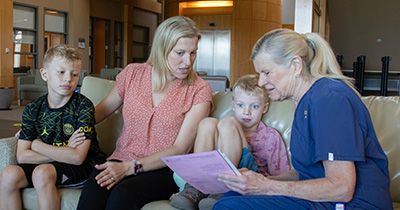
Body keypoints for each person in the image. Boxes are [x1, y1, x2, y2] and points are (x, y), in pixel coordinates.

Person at [213, 28, 393, 210]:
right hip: (327, 201)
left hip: (354, 205)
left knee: (228, 207)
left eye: (267, 72)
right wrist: (258, 181)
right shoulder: (305, 102)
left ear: (296, 66)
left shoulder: (329, 99)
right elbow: (307, 173)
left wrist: (267, 187)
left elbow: (342, 188)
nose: (260, 82)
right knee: (233, 195)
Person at [76, 16, 213, 210]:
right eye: (180, 53)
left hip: (165, 169)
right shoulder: (133, 74)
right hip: (122, 157)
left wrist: (130, 168)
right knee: (93, 189)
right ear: (162, 49)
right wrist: (45, 129)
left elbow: (180, 148)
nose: (187, 61)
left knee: (122, 195)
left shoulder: (199, 89)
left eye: (193, 53)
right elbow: (101, 111)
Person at [0, 44, 106, 210]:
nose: (68, 79)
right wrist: (65, 150)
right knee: (8, 175)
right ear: (44, 74)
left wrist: (36, 145)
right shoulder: (33, 108)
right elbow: (22, 156)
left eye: (74, 74)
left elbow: (77, 157)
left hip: (86, 166)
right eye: (61, 72)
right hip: (53, 163)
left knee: (42, 173)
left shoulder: (83, 106)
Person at [170, 74, 290, 210]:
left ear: (265, 108)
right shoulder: (220, 129)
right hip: (212, 173)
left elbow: (280, 175)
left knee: (228, 122)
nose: (247, 112)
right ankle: (195, 188)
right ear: (233, 105)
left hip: (245, 178)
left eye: (254, 106)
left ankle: (221, 190)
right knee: (207, 122)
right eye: (240, 105)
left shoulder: (270, 136)